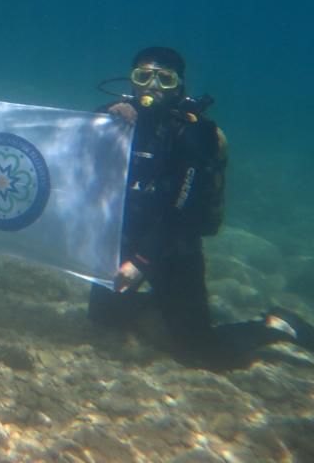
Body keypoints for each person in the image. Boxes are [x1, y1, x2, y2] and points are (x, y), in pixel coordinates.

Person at [89, 46, 314, 368]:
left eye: (164, 79)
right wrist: (109, 110)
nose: (152, 87)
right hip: (131, 240)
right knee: (102, 317)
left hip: (174, 250)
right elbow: (83, 143)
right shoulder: (120, 118)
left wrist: (141, 262)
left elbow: (185, 213)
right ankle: (164, 306)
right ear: (132, 81)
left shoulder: (196, 134)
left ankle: (275, 326)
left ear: (179, 85)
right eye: (143, 77)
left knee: (200, 351)